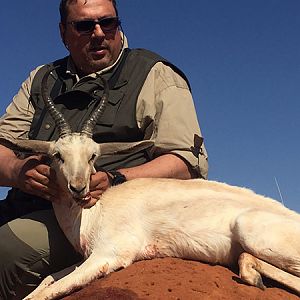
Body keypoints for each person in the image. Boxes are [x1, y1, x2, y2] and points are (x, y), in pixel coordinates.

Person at [0, 0, 208, 298]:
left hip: (102, 219)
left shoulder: (154, 74)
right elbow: (3, 146)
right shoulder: (41, 80)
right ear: (63, 32)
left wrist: (116, 179)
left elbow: (185, 163)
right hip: (28, 204)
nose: (98, 33)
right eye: (84, 25)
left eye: (108, 22)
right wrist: (18, 171)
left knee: (6, 249)